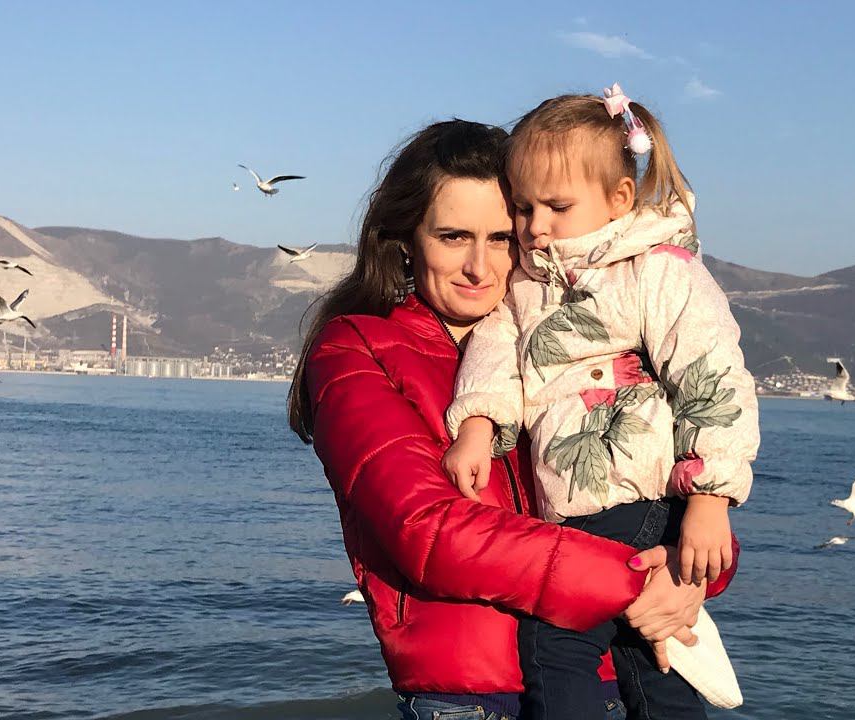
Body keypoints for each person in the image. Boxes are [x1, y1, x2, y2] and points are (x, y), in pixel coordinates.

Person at [288, 119, 738, 720]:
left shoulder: (582, 334)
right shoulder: (355, 349)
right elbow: (431, 534)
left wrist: (691, 572)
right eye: (453, 236)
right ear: (407, 239)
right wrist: (636, 580)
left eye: (501, 237)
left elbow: (667, 488)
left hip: (605, 682)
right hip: (471, 698)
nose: (479, 266)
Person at [442, 85, 760, 720]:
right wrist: (477, 424)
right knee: (653, 654)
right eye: (524, 208)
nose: (536, 226)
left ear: (619, 199)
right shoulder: (527, 285)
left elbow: (712, 376)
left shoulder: (657, 270)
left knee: (554, 642)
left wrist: (709, 500)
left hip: (639, 496)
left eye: (558, 207)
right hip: (578, 506)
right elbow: (496, 352)